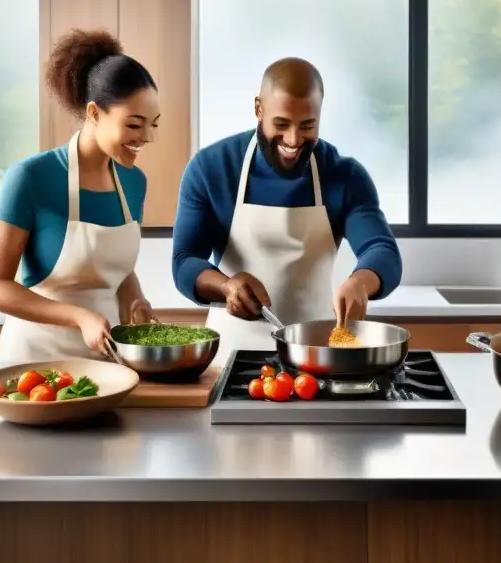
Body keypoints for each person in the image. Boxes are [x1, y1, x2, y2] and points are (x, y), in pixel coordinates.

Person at [172, 57, 402, 364]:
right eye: (281, 124)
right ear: (258, 109)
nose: (294, 140)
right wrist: (226, 286)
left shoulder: (344, 175)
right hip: (231, 356)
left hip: (316, 355)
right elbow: (185, 261)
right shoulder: (211, 169)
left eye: (308, 125)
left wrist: (361, 281)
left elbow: (382, 250)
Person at [0, 29, 160, 361]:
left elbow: (111, 270)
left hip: (107, 363)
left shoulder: (134, 182)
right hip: (34, 367)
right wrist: (79, 316)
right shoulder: (31, 178)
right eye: (134, 125)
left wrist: (135, 302)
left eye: (153, 124)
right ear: (94, 113)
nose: (147, 137)